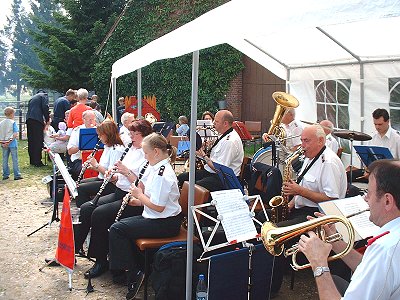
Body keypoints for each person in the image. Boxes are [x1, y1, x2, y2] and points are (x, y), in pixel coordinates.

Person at [299, 159, 400, 299]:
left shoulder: (385, 249)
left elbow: (380, 264)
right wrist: (336, 242)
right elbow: (370, 269)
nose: (365, 198)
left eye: (369, 193)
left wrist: (319, 263)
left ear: (387, 201)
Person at [75, 119, 153, 279]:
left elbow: (141, 184)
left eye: (134, 134)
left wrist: (125, 172)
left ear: (144, 135)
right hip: (119, 191)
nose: (130, 137)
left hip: (133, 198)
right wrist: (113, 175)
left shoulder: (146, 153)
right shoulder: (130, 149)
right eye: (130, 133)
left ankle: (101, 261)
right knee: (87, 208)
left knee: (99, 214)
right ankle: (76, 247)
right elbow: (119, 178)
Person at [108, 132, 182, 300]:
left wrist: (138, 194)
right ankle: (139, 268)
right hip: (158, 218)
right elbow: (155, 201)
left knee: (117, 229)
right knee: (120, 226)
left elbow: (159, 207)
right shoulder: (157, 168)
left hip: (165, 223)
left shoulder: (162, 173)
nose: (144, 156)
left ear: (156, 151)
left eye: (146, 153)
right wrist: (138, 202)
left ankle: (133, 273)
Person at [281, 125, 347, 226]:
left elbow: (331, 199)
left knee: (276, 229)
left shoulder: (329, 163)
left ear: (320, 140)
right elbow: (305, 185)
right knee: (262, 216)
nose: (302, 145)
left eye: (306, 141)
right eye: (301, 140)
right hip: (301, 209)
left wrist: (299, 191)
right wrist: (291, 204)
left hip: (317, 215)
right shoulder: (310, 155)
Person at [177, 109, 244, 193]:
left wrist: (204, 155)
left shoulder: (230, 141)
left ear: (225, 123)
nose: (213, 124)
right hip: (211, 172)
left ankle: (193, 205)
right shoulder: (222, 135)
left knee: (194, 187)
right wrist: (200, 152)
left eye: (216, 122)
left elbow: (219, 168)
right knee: (182, 177)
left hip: (224, 179)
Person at [74, 120, 125, 207]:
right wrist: (92, 167)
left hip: (111, 183)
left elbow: (111, 174)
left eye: (100, 135)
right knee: (80, 183)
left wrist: (96, 165)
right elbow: (104, 168)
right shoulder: (108, 147)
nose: (99, 137)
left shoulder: (116, 150)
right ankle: (84, 208)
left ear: (108, 134)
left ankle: (85, 209)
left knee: (81, 188)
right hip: (103, 178)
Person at [67, 110, 96, 180]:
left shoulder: (98, 130)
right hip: (79, 159)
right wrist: (81, 146)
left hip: (94, 159)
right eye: (89, 120)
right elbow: (70, 151)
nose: (91, 122)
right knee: (84, 170)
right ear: (84, 120)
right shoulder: (77, 131)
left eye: (93, 119)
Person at [26, 90, 50, 167]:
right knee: (38, 140)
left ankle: (32, 160)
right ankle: (37, 161)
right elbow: (45, 107)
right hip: (37, 120)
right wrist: (47, 119)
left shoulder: (33, 98)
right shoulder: (44, 95)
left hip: (29, 119)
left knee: (31, 140)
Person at [0, 107, 22, 180]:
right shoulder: (13, 122)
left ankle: (5, 174)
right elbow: (15, 134)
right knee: (14, 159)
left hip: (3, 143)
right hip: (12, 143)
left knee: (5, 159)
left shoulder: (1, 123)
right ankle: (17, 175)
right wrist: (9, 141)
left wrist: (3, 143)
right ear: (12, 114)